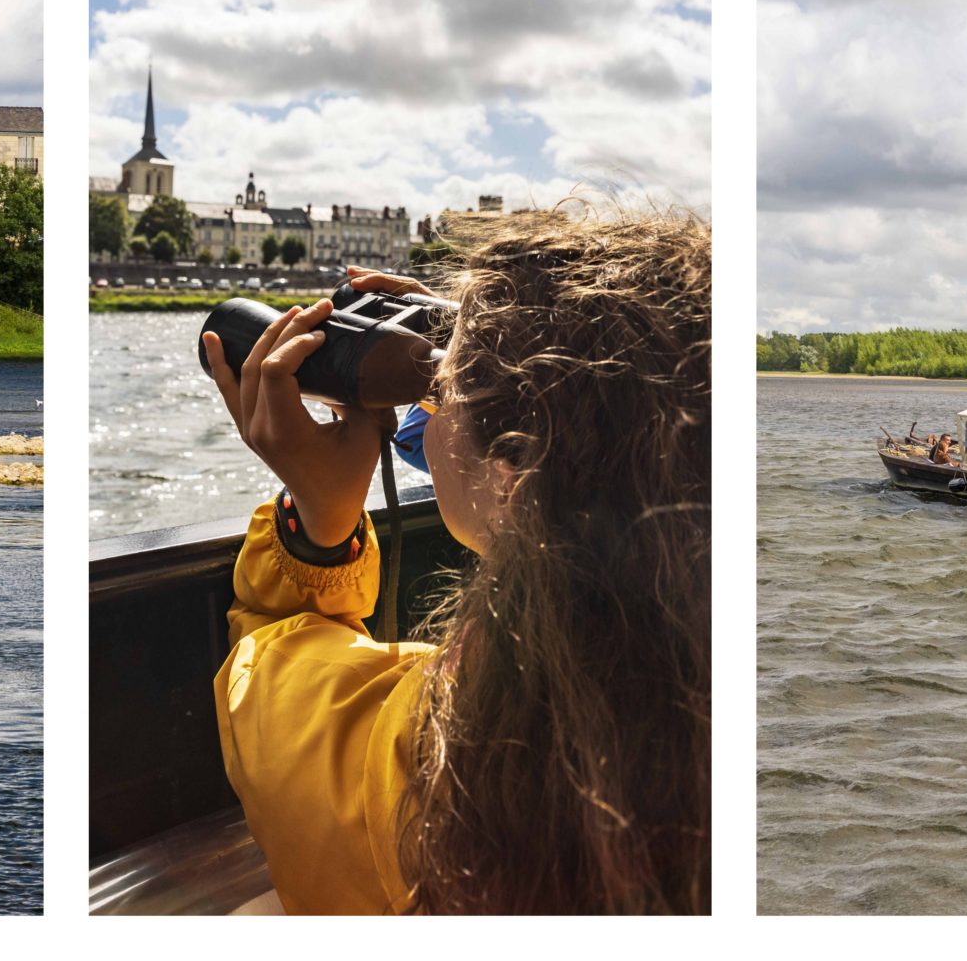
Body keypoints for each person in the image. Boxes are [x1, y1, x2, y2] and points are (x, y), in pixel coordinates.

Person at [201, 210, 710, 914]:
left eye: (444, 382)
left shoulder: (440, 743)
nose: (429, 392)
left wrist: (322, 515)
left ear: (510, 477)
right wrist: (489, 350)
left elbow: (265, 678)